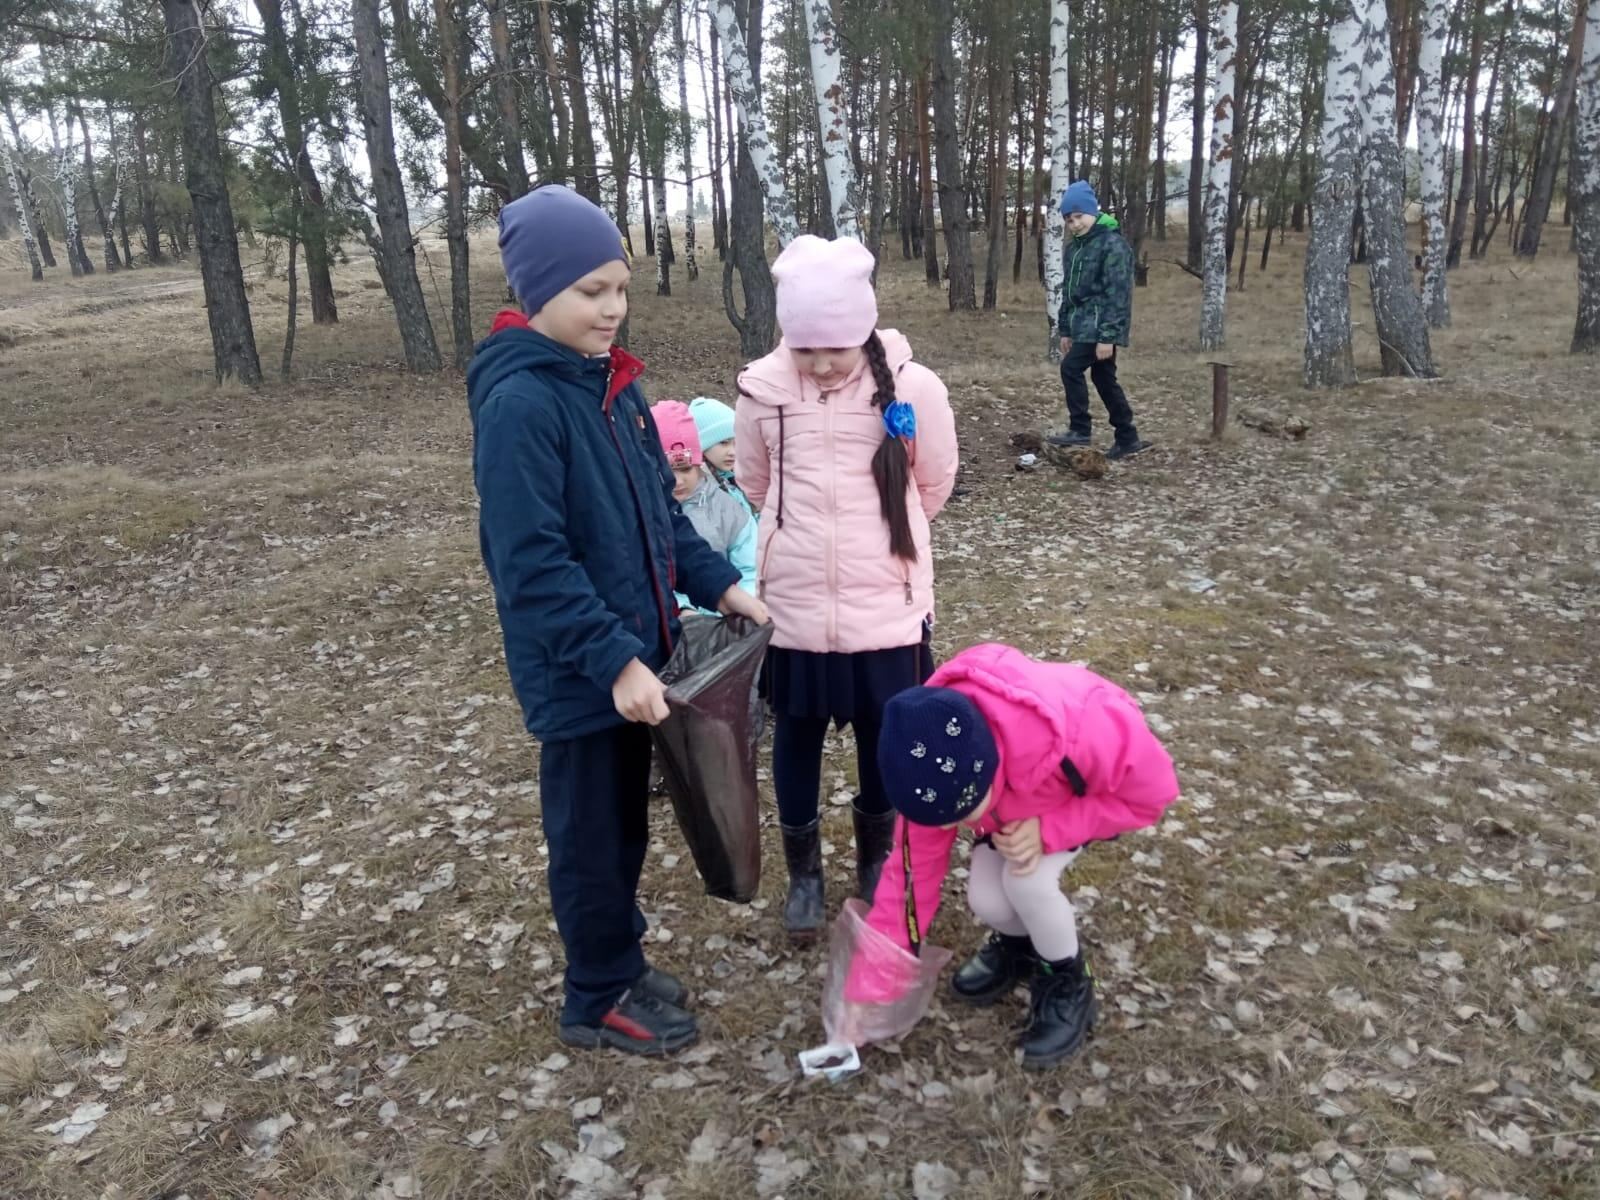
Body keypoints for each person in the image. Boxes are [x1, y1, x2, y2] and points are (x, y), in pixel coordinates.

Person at [467, 184, 768, 1057]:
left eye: (621, 289)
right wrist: (613, 662)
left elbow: (659, 515)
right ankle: (596, 996)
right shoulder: (522, 406)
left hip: (639, 659)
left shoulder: (614, 387)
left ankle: (618, 959)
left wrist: (721, 585)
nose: (612, 309)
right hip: (582, 676)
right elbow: (530, 565)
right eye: (591, 290)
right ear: (537, 292)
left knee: (626, 826)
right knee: (592, 837)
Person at [734, 234, 959, 941]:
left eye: (836, 346)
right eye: (806, 348)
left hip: (884, 609)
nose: (822, 363)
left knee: (881, 738)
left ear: (864, 328)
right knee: (795, 738)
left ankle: (875, 862)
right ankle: (804, 877)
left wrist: (874, 550)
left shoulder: (914, 389)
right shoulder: (763, 391)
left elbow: (932, 484)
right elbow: (755, 484)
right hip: (796, 608)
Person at [842, 643, 1179, 1069]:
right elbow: (907, 884)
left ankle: (1068, 979)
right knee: (986, 899)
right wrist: (868, 994)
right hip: (1008, 810)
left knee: (1027, 884)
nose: (949, 830)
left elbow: (1152, 796)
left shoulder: (1087, 730)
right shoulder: (924, 769)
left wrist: (1048, 830)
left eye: (961, 816)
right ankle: (1020, 947)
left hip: (1072, 802)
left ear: (987, 769)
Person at [1050, 181, 1151, 460]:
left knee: (1070, 369)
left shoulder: (1112, 245)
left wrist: (1108, 337)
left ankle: (1080, 429)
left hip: (1099, 326)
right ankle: (1127, 437)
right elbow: (1068, 292)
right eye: (1069, 220)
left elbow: (1118, 295)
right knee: (1104, 378)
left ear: (1093, 212)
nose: (1075, 224)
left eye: (1079, 216)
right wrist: (1065, 330)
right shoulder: (1074, 249)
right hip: (1081, 325)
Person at [648, 399, 758, 610]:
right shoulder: (642, 511)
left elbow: (750, 567)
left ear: (699, 463)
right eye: (666, 470)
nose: (677, 481)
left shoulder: (727, 507)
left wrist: (741, 604)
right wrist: (681, 609)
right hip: (671, 618)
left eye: (686, 469)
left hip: (727, 613)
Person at [688, 396, 756, 518]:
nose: (733, 452)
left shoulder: (732, 480)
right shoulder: (700, 493)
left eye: (737, 443)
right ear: (702, 445)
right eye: (724, 443)